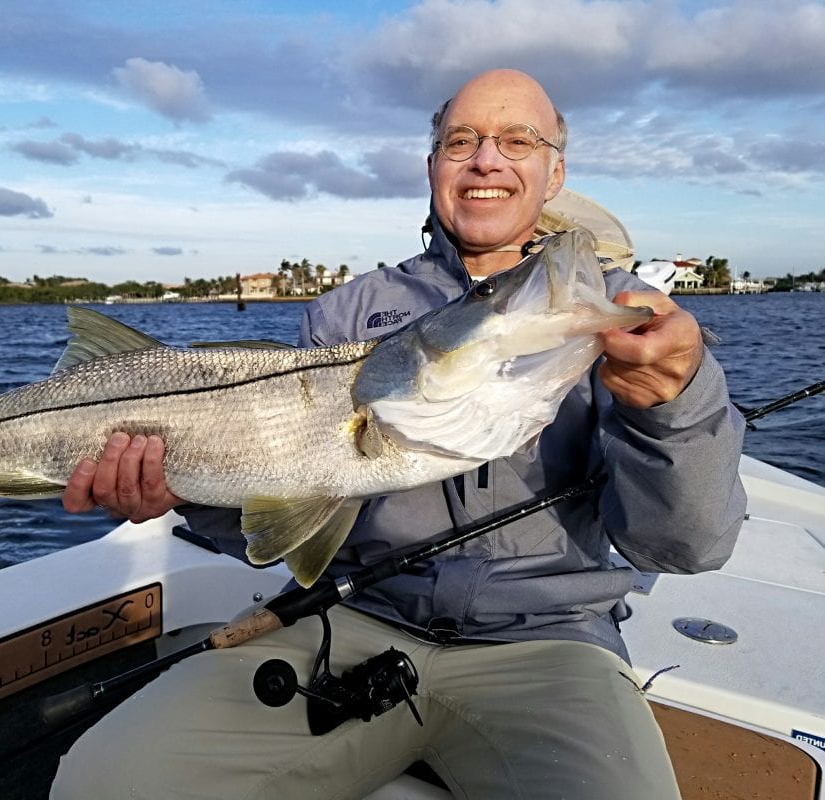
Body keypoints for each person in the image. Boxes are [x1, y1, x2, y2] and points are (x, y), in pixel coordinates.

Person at [50, 69, 747, 800]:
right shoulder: (346, 315)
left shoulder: (626, 317)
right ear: (433, 168)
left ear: (554, 172)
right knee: (106, 781)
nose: (486, 160)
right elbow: (273, 525)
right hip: (350, 620)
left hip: (552, 644)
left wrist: (673, 406)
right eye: (461, 142)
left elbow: (686, 545)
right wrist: (177, 490)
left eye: (518, 141)